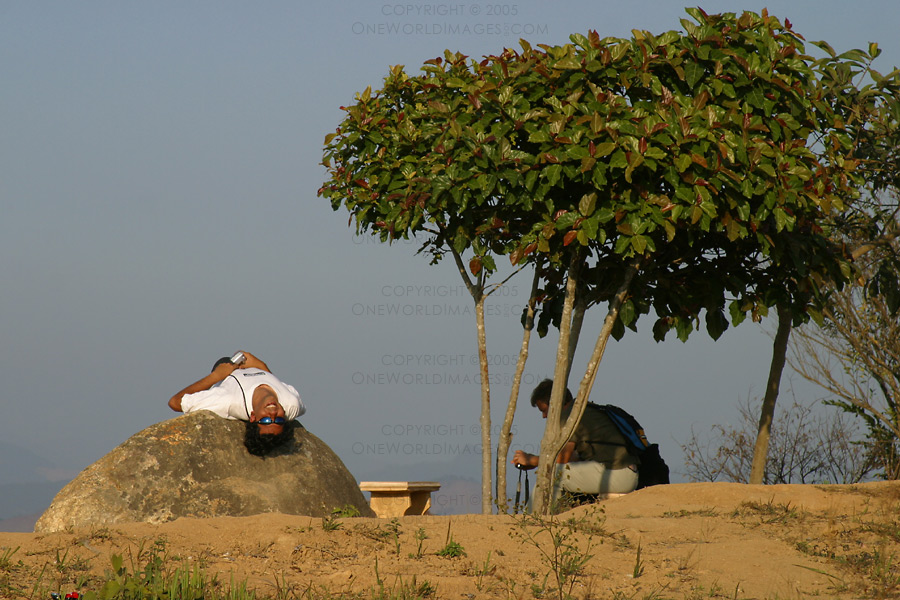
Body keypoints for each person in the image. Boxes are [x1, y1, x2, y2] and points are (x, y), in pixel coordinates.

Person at [511, 379, 638, 507]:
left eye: (544, 410)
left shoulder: (570, 416)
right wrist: (538, 462)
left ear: (556, 404)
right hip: (625, 475)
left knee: (553, 475)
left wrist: (531, 460)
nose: (544, 416)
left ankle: (531, 521)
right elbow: (572, 458)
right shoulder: (582, 409)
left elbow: (562, 459)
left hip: (617, 475)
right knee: (559, 473)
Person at [168, 350, 305, 456]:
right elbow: (279, 386)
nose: (273, 413)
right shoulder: (292, 404)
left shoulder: (229, 401)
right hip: (252, 366)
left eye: (266, 420)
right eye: (279, 419)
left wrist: (216, 376)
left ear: (253, 417)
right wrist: (262, 367)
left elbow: (175, 402)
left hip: (226, 375)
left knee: (223, 361)